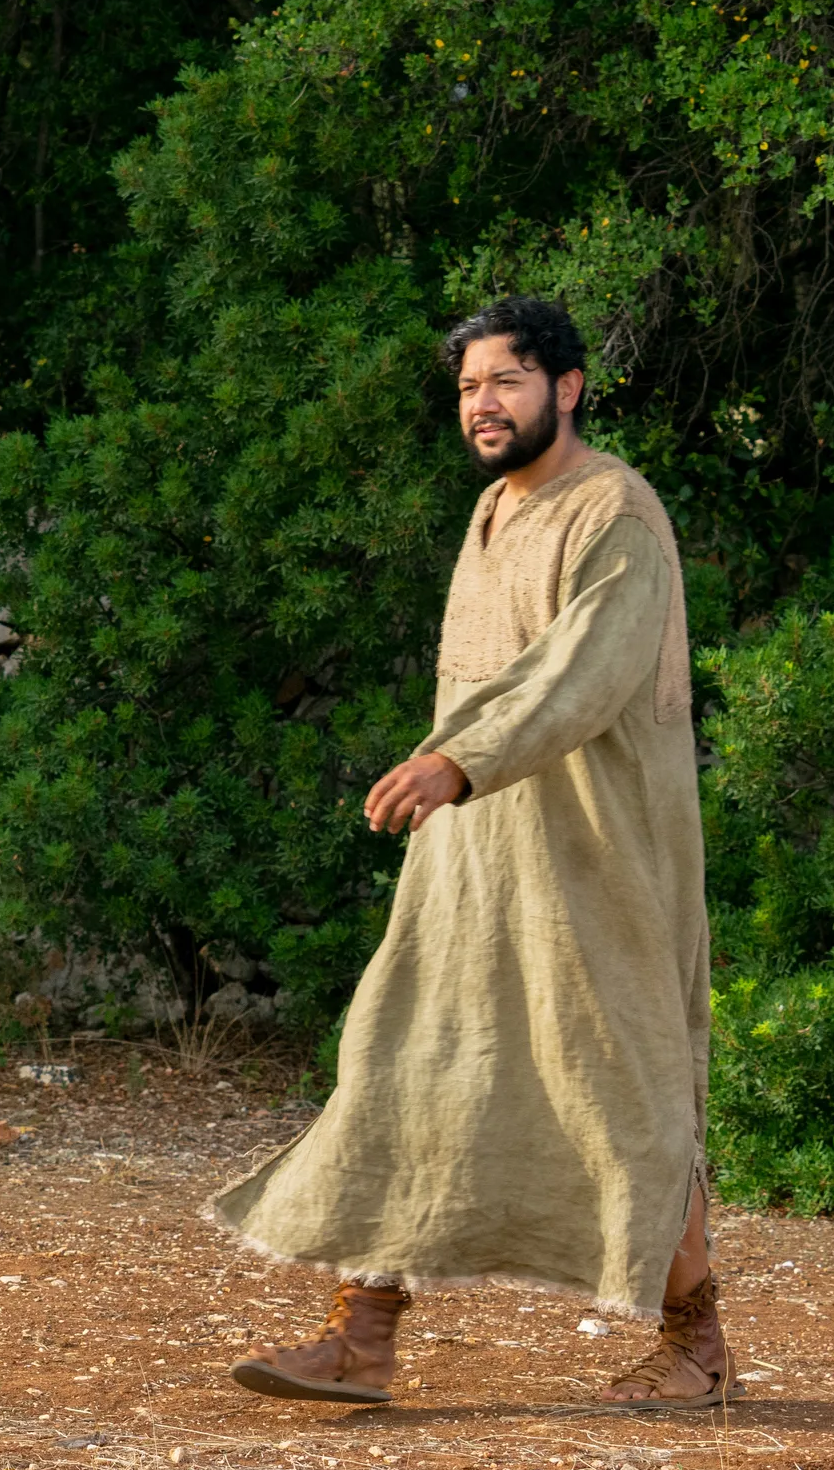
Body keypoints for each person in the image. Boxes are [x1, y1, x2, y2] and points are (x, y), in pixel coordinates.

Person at [208, 295, 733, 1408]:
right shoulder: (494, 508)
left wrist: (459, 760)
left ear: (568, 386)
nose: (481, 405)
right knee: (401, 1057)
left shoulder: (615, 514)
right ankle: (363, 1334)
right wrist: (456, 779)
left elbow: (580, 673)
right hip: (474, 856)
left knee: (625, 1094)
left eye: (503, 380)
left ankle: (699, 1343)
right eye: (466, 388)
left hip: (595, 865)